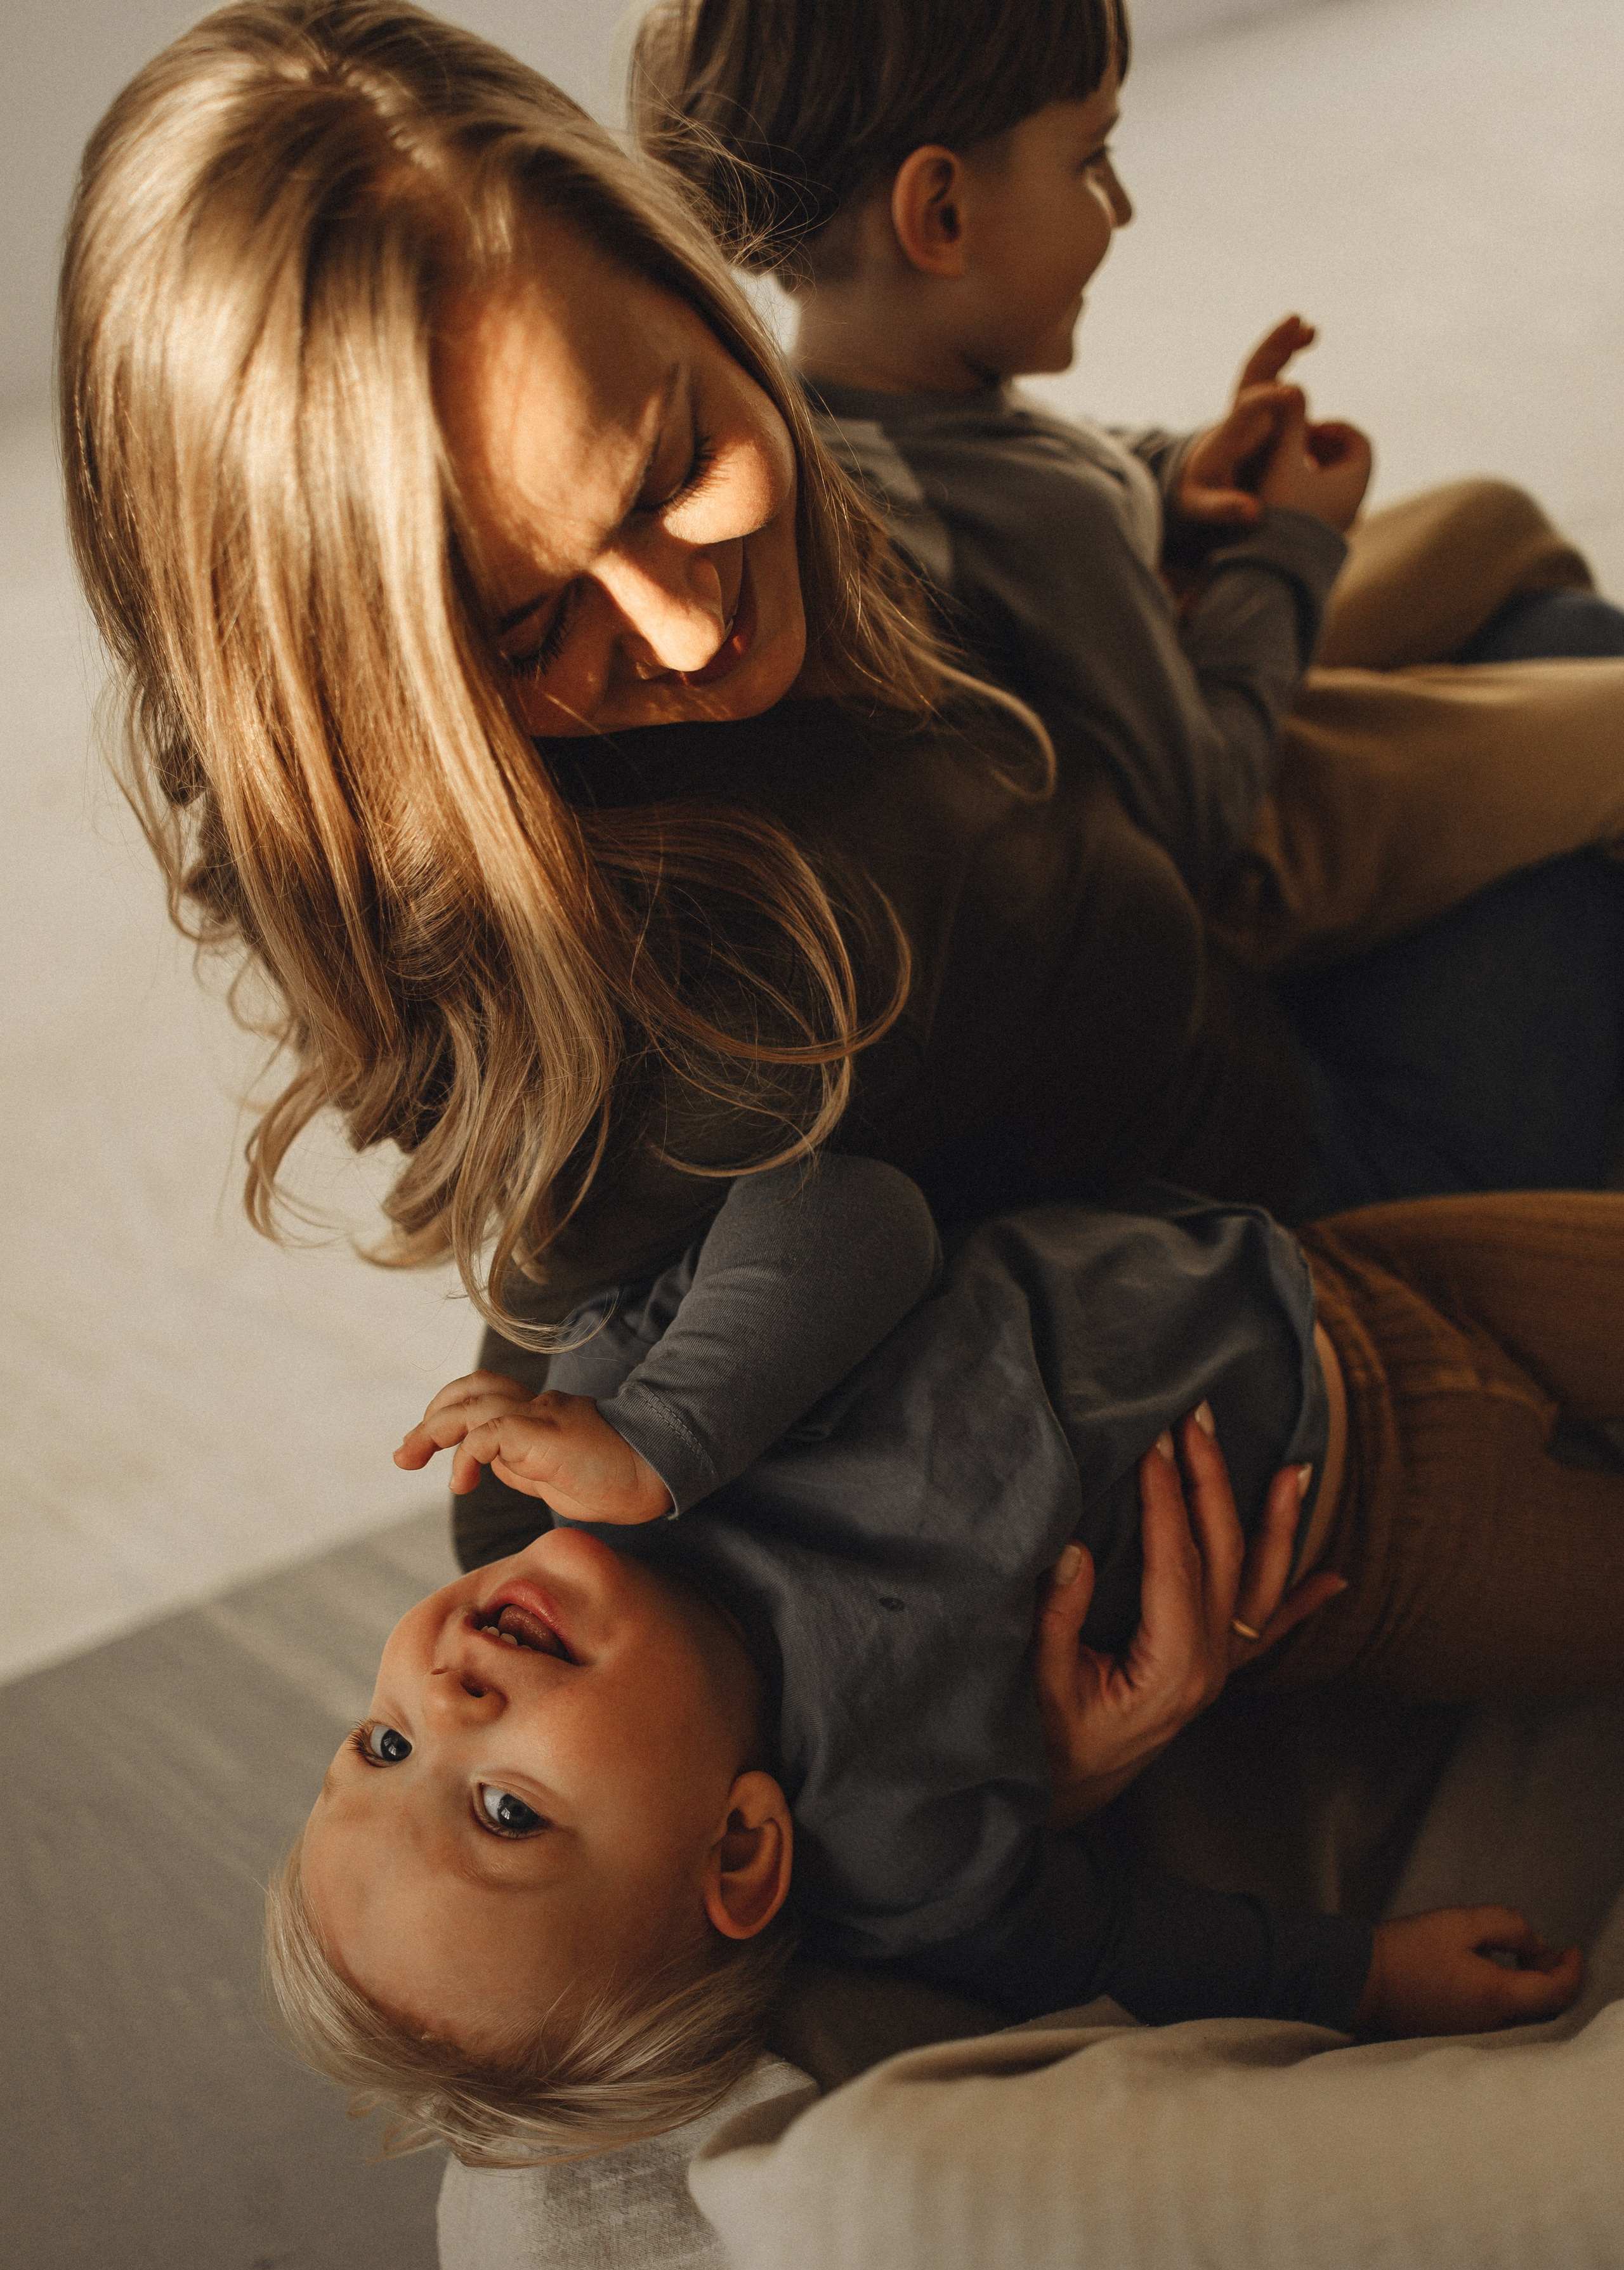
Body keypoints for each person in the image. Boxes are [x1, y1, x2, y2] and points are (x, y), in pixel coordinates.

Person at [58, 0, 1624, 1384]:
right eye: (530, 634)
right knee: (1562, 659)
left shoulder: (847, 464)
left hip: (1192, 986)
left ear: (684, 277)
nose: (682, 638)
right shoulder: (768, 952)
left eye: (673, 467)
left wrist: (1180, 510)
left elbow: (1031, 502)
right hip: (1308, 1195)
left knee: (1509, 572)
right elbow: (557, 1408)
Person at [268, 1157, 1624, 2160]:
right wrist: (1366, 1975)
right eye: (502, 1808)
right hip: (1388, 1540)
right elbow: (1103, 1942)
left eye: (381, 1745)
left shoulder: (616, 1418)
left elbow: (845, 1208)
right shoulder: (894, 1850)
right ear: (738, 1851)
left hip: (1327, 1279)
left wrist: (662, 1438)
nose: (443, 1701)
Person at [630, 0, 1624, 961]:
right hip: (1221, 847)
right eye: (1092, 160)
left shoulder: (839, 407)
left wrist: (1183, 472)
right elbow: (1201, 819)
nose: (1124, 206)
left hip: (1157, 693)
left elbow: (1038, 456)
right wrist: (1288, 549)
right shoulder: (1044, 524)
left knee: (1490, 521)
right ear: (940, 211)